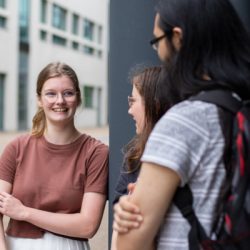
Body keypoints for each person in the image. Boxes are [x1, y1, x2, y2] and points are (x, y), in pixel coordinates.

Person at [114, 0, 250, 249]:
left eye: (157, 41)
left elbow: (128, 245)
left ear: (177, 38)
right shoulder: (240, 107)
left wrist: (126, 218)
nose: (158, 52)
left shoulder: (184, 121)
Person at [0, 62, 109, 250]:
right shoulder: (16, 148)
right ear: (39, 100)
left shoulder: (96, 153)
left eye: (68, 93)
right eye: (51, 94)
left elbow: (88, 226)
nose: (60, 101)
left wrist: (24, 212)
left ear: (78, 98)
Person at [111, 65, 171, 250]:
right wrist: (127, 203)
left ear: (155, 103)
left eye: (133, 101)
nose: (129, 111)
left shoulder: (175, 154)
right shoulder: (134, 154)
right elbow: (120, 205)